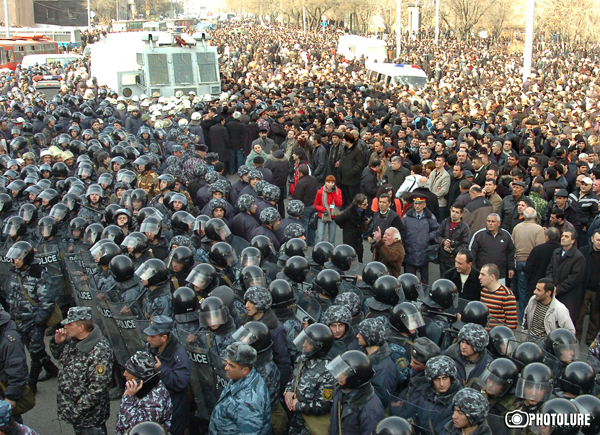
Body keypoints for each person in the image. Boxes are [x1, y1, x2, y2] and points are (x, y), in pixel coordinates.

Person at [5, 241, 58, 395]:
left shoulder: (38, 273)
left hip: (33, 321)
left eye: (19, 258)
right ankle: (51, 369)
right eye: (14, 258)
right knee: (33, 349)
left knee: (34, 351)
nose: (16, 261)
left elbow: (47, 301)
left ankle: (31, 383)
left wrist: (38, 322)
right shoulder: (15, 272)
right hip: (18, 320)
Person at [53, 307, 114, 435]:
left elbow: (98, 387)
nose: (65, 327)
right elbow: (60, 359)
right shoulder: (72, 341)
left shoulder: (100, 350)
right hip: (76, 414)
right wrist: (58, 343)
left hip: (90, 418)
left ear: (81, 328)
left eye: (70, 324)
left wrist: (75, 410)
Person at [209, 342, 271, 435]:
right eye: (227, 363)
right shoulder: (241, 377)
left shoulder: (249, 402)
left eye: (231, 366)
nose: (226, 368)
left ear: (245, 370)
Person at [143, 316, 191, 435]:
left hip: (174, 409)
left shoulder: (179, 354)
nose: (148, 339)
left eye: (152, 336)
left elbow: (180, 382)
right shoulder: (150, 348)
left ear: (164, 338)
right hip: (155, 407)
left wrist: (160, 369)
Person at [326, 350, 385, 435]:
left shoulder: (371, 408)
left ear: (355, 379)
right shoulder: (340, 391)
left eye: (344, 373)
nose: (338, 375)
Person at [115, 351, 173, 435]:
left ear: (140, 378)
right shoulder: (136, 386)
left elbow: (135, 430)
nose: (124, 374)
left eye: (129, 372)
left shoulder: (155, 401)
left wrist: (128, 399)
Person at [546, 228, 586, 328]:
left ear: (573, 241)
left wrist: (558, 289)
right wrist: (551, 285)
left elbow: (574, 278)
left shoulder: (578, 257)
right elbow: (550, 269)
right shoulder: (556, 252)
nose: (563, 238)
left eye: (566, 237)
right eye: (562, 236)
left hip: (568, 296)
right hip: (554, 292)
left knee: (563, 324)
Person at [511, 207, 545, 321]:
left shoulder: (517, 228)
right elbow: (540, 247)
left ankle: (521, 318)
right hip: (533, 263)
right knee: (532, 291)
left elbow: (512, 245)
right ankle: (528, 318)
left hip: (519, 261)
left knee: (522, 291)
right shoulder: (539, 229)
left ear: (523, 216)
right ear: (535, 216)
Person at [356, 318, 398, 409]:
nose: (357, 336)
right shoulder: (361, 353)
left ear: (370, 336)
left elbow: (380, 397)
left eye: (361, 334)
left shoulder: (384, 367)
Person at [402, 194, 439, 285]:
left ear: (424, 205)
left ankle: (424, 295)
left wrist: (427, 237)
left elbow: (437, 230)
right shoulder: (407, 217)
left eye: (420, 203)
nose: (417, 206)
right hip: (410, 251)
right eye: (416, 203)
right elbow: (402, 231)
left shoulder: (430, 217)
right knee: (409, 279)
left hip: (424, 252)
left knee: (424, 279)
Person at [469, 213, 515, 285]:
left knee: (499, 295)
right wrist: (474, 270)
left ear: (499, 223)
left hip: (500, 275)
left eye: (493, 222)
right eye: (488, 221)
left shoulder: (506, 235)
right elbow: (472, 254)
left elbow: (511, 253)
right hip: (482, 275)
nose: (490, 223)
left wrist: (511, 268)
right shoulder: (479, 235)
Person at [436, 203, 472, 277]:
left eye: (457, 212)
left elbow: (465, 245)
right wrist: (443, 242)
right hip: (443, 258)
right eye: (453, 211)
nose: (454, 214)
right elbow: (437, 236)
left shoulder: (465, 228)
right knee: (443, 281)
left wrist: (452, 250)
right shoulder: (445, 222)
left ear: (461, 214)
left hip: (455, 261)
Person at [478, 264, 518, 330]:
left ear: (492, 277)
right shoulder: (484, 291)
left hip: (498, 336)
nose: (479, 277)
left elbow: (512, 324)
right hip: (484, 335)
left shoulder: (507, 295)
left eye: (483, 275)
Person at [577, 229, 600, 344]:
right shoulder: (583, 252)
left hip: (597, 291)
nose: (599, 243)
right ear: (592, 239)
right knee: (580, 314)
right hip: (584, 289)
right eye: (598, 240)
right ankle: (576, 338)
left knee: (595, 317)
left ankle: (590, 340)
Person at [334, 194, 370, 263]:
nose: (367, 205)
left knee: (359, 253)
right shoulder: (349, 212)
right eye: (364, 204)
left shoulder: (362, 210)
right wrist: (345, 227)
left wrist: (364, 220)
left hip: (357, 236)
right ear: (358, 205)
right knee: (350, 255)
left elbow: (360, 218)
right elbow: (337, 219)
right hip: (349, 237)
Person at [293, 164, 318, 246]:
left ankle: (304, 243)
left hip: (305, 207)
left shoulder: (300, 183)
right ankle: (312, 242)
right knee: (312, 225)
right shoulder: (313, 179)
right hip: (313, 205)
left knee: (304, 225)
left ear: (300, 173)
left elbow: (298, 197)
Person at [313, 175, 342, 244]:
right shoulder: (320, 192)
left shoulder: (338, 191)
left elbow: (339, 204)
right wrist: (323, 210)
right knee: (320, 238)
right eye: (328, 182)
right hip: (322, 216)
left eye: (332, 182)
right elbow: (315, 205)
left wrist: (334, 193)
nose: (330, 184)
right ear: (325, 182)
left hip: (333, 217)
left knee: (331, 239)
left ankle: (330, 253)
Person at [428, 155, 451, 220]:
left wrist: (431, 196)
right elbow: (428, 185)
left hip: (440, 204)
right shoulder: (432, 172)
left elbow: (443, 191)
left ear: (443, 163)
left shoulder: (445, 176)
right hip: (431, 203)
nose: (437, 162)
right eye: (436, 160)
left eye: (439, 160)